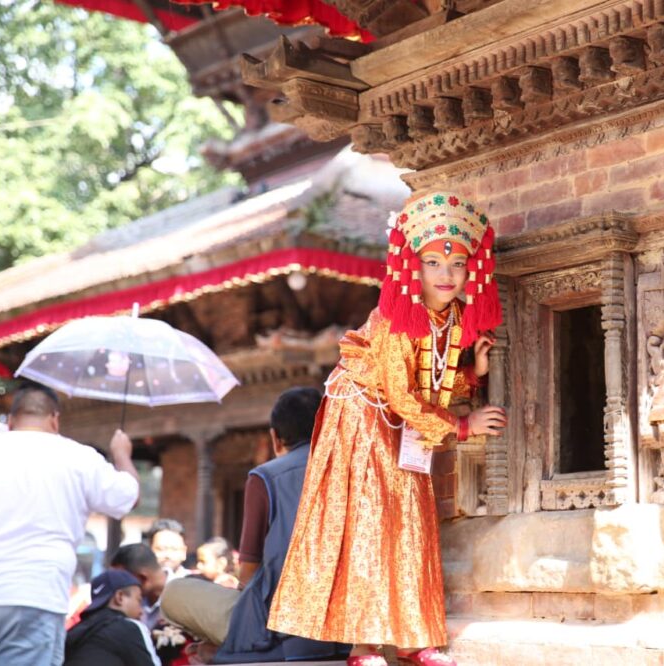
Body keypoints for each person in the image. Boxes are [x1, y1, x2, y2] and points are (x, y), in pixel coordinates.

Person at [268, 192, 507, 666]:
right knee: (372, 521)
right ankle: (364, 646)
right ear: (413, 268)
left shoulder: (455, 317)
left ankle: (415, 638)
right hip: (362, 416)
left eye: (457, 264)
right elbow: (401, 393)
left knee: (412, 518)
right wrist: (463, 426)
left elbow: (428, 384)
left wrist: (472, 373)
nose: (446, 274)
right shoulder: (396, 318)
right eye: (433, 263)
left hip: (400, 421)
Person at [0, 382, 139, 666]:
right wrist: (122, 454)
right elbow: (128, 498)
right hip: (34, 592)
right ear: (55, 419)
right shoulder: (78, 457)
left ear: (10, 421)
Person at [161, 387, 345, 662]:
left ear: (275, 438)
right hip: (348, 623)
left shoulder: (266, 476)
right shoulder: (358, 470)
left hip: (277, 626)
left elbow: (248, 572)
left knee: (175, 592)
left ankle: (232, 650)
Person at [64, 569, 160, 666]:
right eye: (139, 600)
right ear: (120, 597)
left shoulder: (78, 630)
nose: (141, 611)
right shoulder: (129, 627)